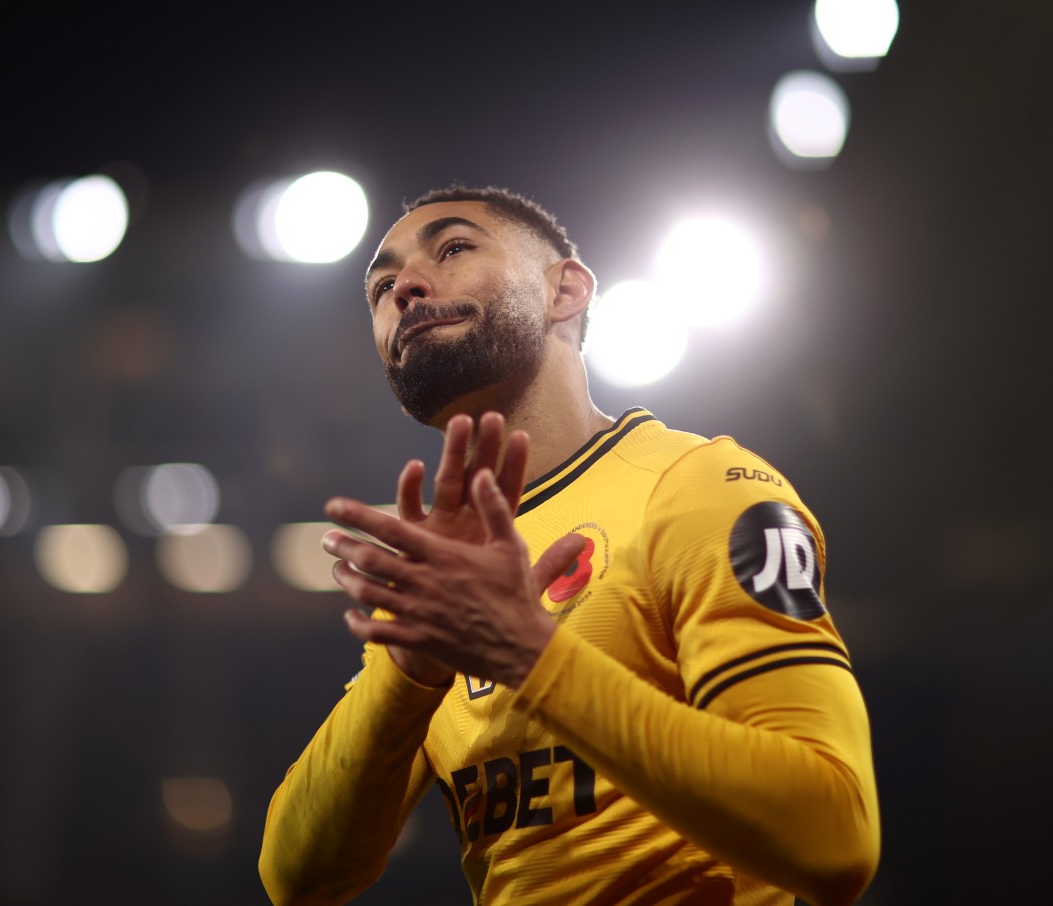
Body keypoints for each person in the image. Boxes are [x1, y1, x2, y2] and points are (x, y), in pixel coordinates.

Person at [258, 185, 880, 905]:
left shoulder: (699, 487)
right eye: (381, 286)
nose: (406, 288)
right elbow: (296, 879)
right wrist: (408, 666)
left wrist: (530, 655)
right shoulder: (442, 582)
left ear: (567, 289)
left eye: (454, 248)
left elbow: (834, 835)